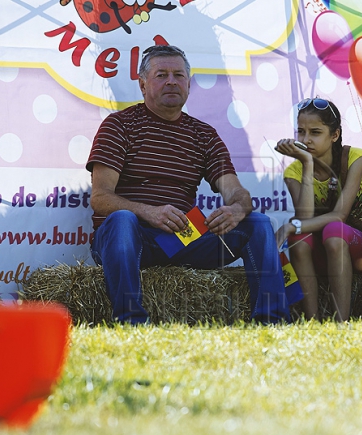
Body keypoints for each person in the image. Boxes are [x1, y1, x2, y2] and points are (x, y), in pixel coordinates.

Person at [86, 45, 290, 325]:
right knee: (122, 220)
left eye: (178, 75)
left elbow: (237, 192)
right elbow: (100, 198)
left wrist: (237, 210)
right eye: (161, 75)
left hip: (182, 238)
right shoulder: (119, 125)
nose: (171, 81)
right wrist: (149, 212)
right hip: (131, 239)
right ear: (142, 85)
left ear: (189, 84)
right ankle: (131, 321)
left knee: (257, 223)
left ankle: (271, 321)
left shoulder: (204, 134)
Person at [275, 98, 362, 321]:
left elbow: (340, 216)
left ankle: (340, 322)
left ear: (334, 135)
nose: (306, 140)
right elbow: (305, 218)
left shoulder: (355, 158)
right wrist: (307, 164)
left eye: (315, 132)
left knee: (333, 231)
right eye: (301, 132)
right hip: (323, 252)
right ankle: (312, 321)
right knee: (299, 240)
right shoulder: (294, 172)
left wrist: (290, 226)